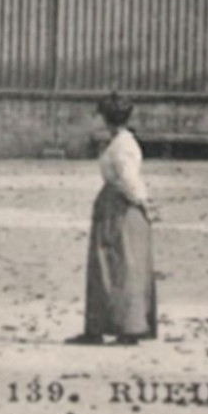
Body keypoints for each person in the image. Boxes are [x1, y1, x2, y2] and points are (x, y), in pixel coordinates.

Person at [70, 93, 157, 346]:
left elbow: (128, 180)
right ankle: (101, 325)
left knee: (120, 263)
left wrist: (142, 202)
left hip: (120, 205)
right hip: (114, 203)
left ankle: (126, 327)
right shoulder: (119, 141)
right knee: (109, 262)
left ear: (106, 117)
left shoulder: (123, 146)